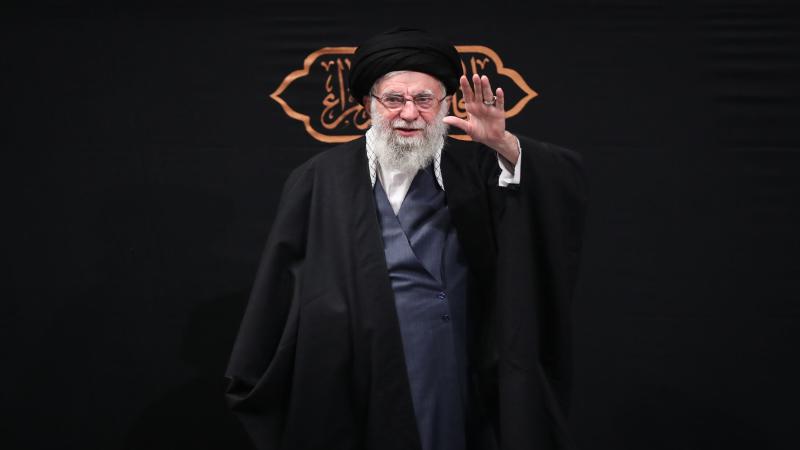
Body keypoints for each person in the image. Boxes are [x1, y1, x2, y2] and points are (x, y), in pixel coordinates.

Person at [225, 28, 587, 450]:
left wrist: (503, 143)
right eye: (394, 99)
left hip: (457, 361)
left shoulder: (481, 167)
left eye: (424, 100)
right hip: (359, 369)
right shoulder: (320, 178)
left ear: (446, 104)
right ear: (368, 104)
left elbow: (556, 194)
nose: (409, 113)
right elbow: (282, 283)